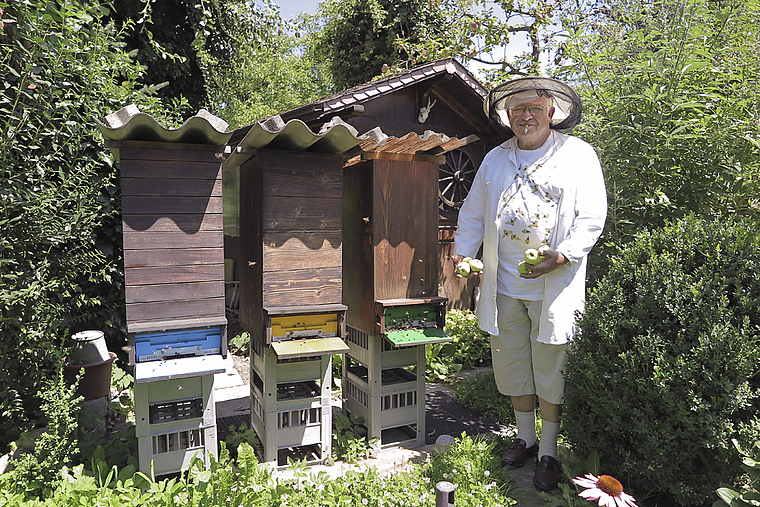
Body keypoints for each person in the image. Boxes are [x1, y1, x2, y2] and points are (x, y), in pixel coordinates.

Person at [452, 77, 607, 491]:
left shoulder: (577, 155)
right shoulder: (495, 159)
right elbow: (472, 212)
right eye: (517, 109)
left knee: (551, 368)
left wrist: (563, 254)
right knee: (512, 364)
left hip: (553, 284)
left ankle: (549, 452)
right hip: (504, 285)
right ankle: (524, 437)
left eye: (534, 108)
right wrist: (463, 253)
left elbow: (591, 216)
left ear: (551, 111)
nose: (525, 116)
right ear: (507, 116)